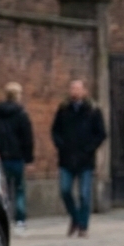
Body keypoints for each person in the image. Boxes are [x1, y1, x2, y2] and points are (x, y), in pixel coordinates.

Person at [51, 79, 106, 237]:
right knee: (65, 190)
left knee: (84, 194)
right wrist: (60, 144)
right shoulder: (63, 109)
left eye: (77, 88)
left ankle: (83, 226)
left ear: (84, 91)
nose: (74, 91)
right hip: (66, 158)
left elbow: (101, 133)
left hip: (85, 159)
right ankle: (75, 217)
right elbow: (55, 130)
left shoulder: (93, 110)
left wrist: (90, 148)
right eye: (72, 88)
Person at [0, 82, 35, 234]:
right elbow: (27, 138)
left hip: (0, 158)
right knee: (19, 189)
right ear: (18, 96)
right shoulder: (21, 114)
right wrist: (29, 158)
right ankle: (20, 221)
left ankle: (4, 218)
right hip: (16, 157)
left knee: (3, 191)